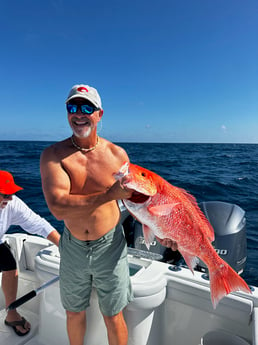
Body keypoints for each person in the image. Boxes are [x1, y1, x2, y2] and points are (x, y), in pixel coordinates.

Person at [40, 84, 134, 345]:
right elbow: (58, 207)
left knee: (114, 315)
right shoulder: (53, 156)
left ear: (99, 114)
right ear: (67, 112)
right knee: (74, 312)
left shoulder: (118, 155)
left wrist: (165, 232)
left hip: (111, 246)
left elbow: (136, 202)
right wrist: (107, 195)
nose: (79, 114)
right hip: (73, 247)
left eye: (86, 108)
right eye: (73, 107)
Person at [0, 170, 60, 336]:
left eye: (11, 194)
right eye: (5, 195)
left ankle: (11, 315)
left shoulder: (12, 204)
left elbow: (39, 225)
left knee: (11, 267)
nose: (10, 199)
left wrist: (64, 246)